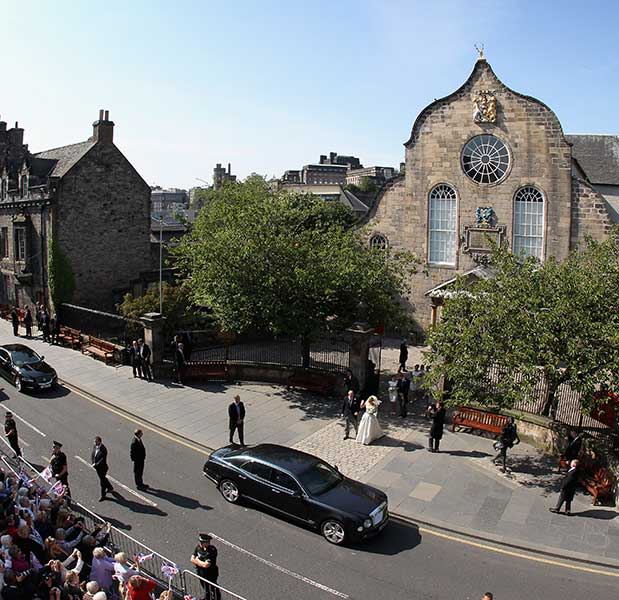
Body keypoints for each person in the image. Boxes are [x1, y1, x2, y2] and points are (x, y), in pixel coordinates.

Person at [191, 533, 221, 600]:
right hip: (201, 572)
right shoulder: (198, 547)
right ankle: (207, 598)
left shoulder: (211, 550)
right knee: (205, 588)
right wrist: (199, 562)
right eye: (200, 541)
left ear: (207, 542)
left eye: (202, 542)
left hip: (211, 573)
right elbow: (192, 559)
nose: (200, 543)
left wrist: (197, 560)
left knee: (214, 588)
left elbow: (206, 565)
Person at [91, 436, 114, 501]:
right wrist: (93, 462)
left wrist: (96, 464)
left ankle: (103, 496)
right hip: (97, 467)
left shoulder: (103, 449)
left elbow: (103, 459)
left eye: (96, 441)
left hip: (102, 468)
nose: (94, 442)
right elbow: (93, 454)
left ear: (100, 441)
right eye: (94, 441)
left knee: (102, 482)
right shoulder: (95, 446)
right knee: (102, 478)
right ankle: (110, 487)